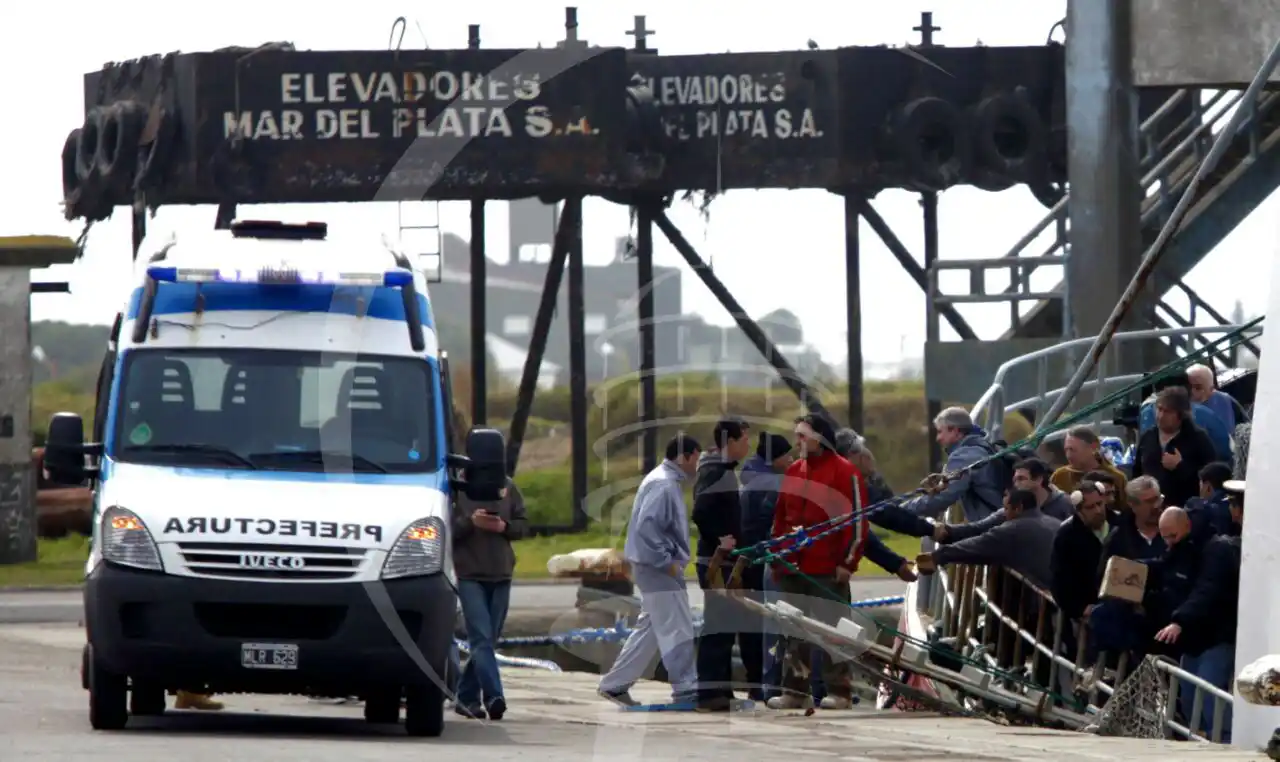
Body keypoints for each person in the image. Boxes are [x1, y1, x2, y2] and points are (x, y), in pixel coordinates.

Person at [765, 414, 867, 711]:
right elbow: (780, 519)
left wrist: (848, 562)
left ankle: (840, 691)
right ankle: (795, 691)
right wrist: (777, 557)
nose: (797, 441)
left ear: (820, 438)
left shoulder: (846, 472)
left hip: (828, 569)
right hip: (792, 567)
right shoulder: (793, 471)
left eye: (803, 435)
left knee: (835, 630)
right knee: (792, 631)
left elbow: (857, 523)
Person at [598, 434, 702, 708]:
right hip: (658, 568)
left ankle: (615, 684)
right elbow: (648, 526)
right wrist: (666, 561)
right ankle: (686, 688)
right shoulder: (664, 484)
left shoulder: (662, 480)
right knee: (677, 627)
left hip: (651, 566)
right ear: (685, 456)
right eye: (696, 459)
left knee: (652, 629)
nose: (697, 466)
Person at [1156, 482, 1242, 740]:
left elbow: (1207, 590)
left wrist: (1179, 620)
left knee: (1210, 698)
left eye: (1172, 536)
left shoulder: (1216, 550)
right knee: (1190, 699)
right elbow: (1164, 570)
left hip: (1216, 635)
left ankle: (1225, 745)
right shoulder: (1181, 550)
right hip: (1193, 637)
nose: (1169, 543)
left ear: (1187, 526)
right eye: (1165, 538)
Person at [691, 416, 759, 711]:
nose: (748, 445)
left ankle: (721, 690)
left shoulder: (721, 469)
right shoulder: (716, 471)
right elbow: (701, 511)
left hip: (723, 561)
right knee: (718, 627)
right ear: (730, 441)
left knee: (726, 626)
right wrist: (721, 539)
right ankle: (709, 693)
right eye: (744, 439)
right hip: (717, 563)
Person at [451, 476, 528, 720]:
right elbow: (444, 531)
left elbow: (523, 526)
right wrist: (470, 522)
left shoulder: (507, 486)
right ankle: (495, 697)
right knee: (481, 638)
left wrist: (503, 527)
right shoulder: (456, 490)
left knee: (488, 641)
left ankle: (466, 697)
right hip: (469, 575)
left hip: (501, 574)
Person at [739, 431, 795, 702]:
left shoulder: (751, 479)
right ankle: (771, 685)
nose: (792, 460)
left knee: (755, 623)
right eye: (787, 456)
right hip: (765, 559)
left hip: (749, 558)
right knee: (772, 624)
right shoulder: (772, 484)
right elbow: (766, 523)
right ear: (774, 459)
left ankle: (758, 684)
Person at [916, 488, 1059, 590]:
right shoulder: (1055, 523)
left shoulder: (1013, 529)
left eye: (1007, 509)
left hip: (1046, 597)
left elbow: (979, 545)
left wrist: (938, 556)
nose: (1004, 514)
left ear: (1018, 508)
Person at [901, 407, 1005, 522]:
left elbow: (943, 497)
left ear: (955, 431)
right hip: (1000, 520)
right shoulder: (983, 447)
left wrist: (901, 510)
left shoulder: (964, 456)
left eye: (940, 432)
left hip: (993, 526)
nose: (938, 438)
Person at [1133, 386, 1217, 508]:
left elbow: (1211, 480)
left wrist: (1180, 467)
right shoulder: (1148, 437)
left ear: (1181, 415)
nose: (1161, 416)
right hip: (1150, 509)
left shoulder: (1198, 439)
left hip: (1184, 509)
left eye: (1167, 412)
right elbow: (1137, 472)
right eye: (1159, 409)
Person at [1051, 427, 1129, 512]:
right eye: (1066, 450)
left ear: (1093, 446)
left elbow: (1126, 511)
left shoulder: (1117, 478)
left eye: (1073, 450)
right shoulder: (1059, 476)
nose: (1068, 455)